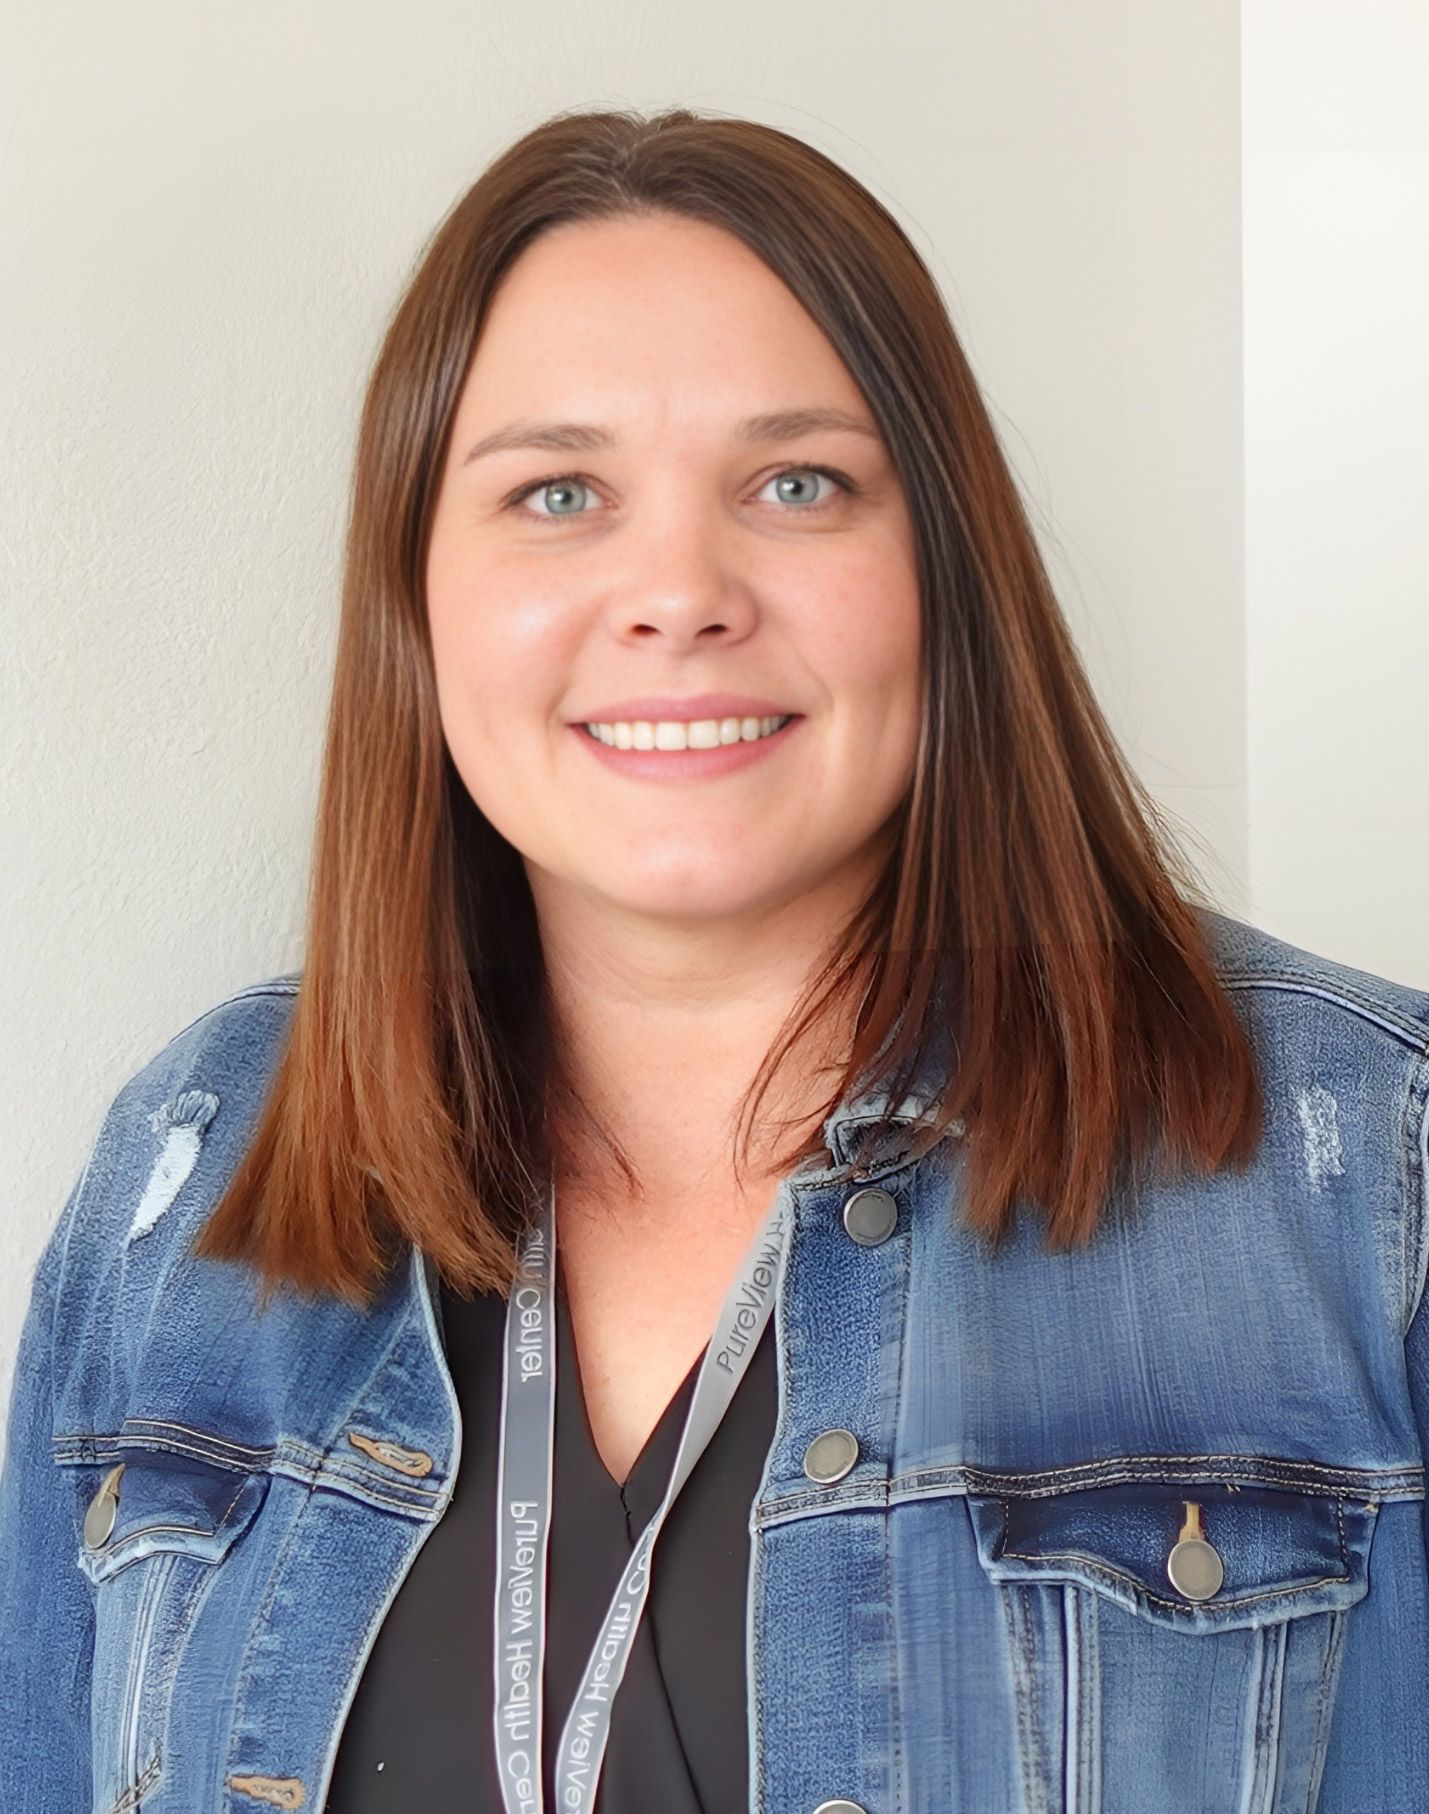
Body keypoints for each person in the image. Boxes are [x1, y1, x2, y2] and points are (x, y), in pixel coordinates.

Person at [2, 104, 1427, 1814]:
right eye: (557, 491)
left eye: (796, 481)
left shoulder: (1367, 1168)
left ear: (944, 577)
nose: (677, 589)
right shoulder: (186, 1170)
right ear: (417, 596)